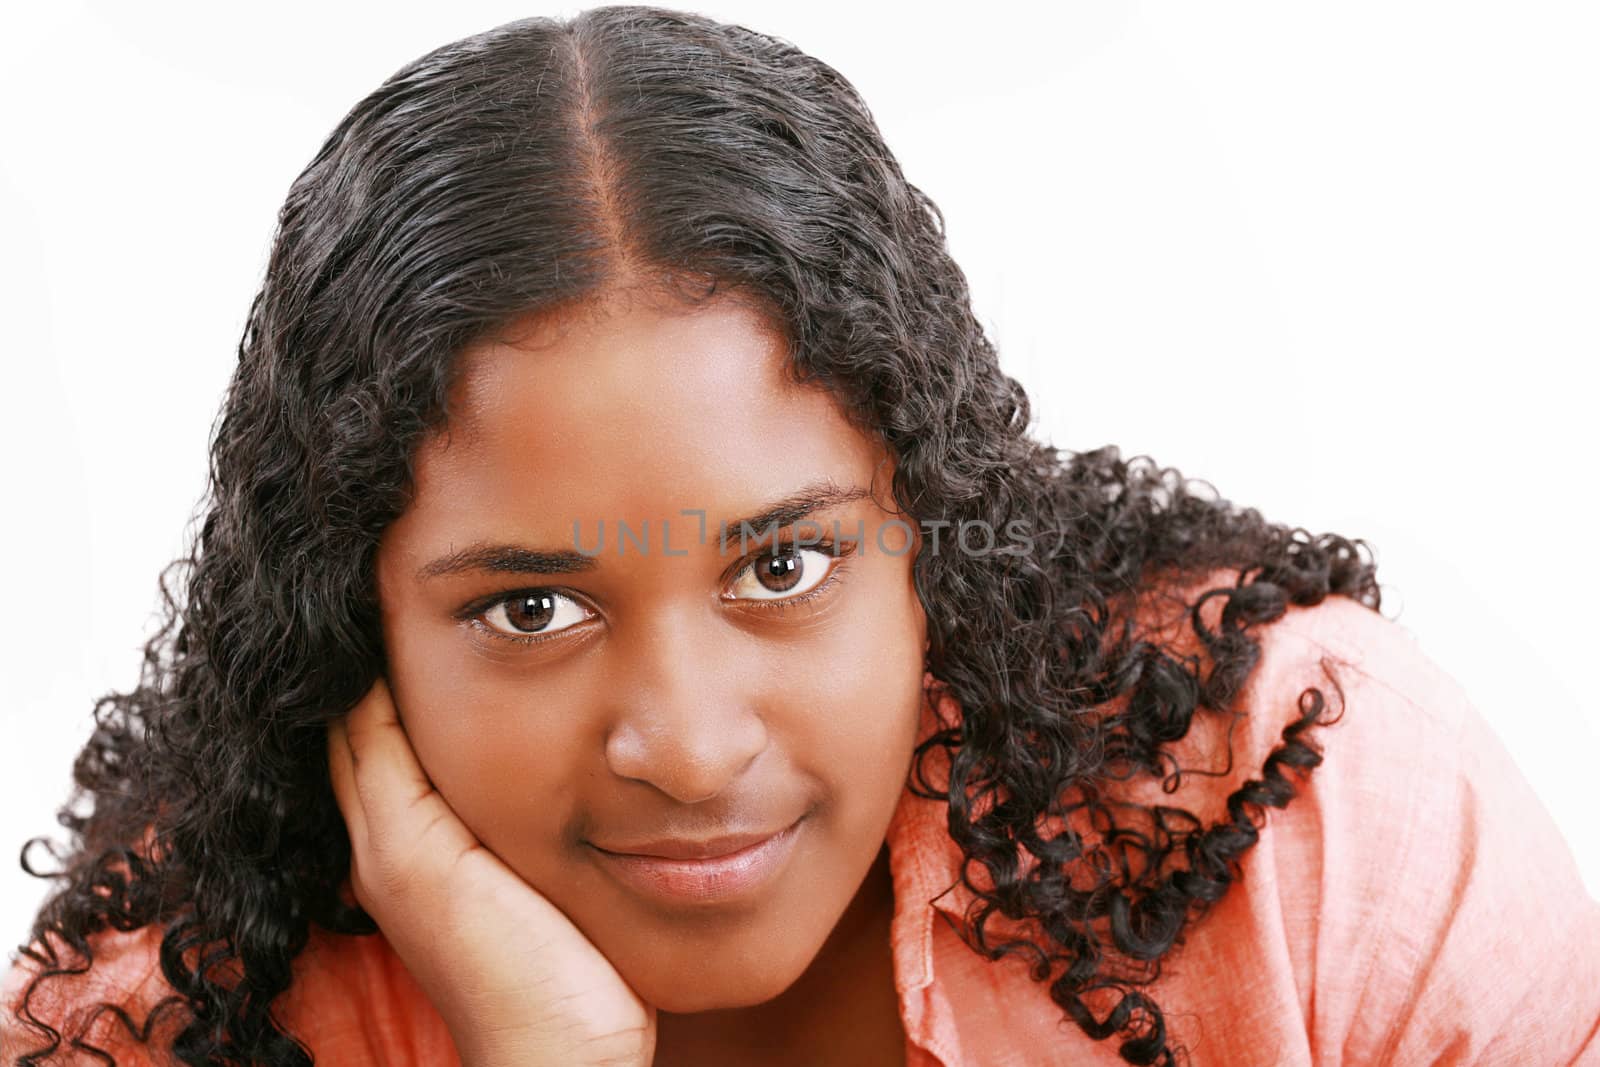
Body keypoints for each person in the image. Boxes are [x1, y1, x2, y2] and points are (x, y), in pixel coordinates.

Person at [3, 6, 1598, 1066]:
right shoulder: (185, 1004)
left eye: (783, 566)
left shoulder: (1296, 810)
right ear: (350, 628)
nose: (688, 751)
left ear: (939, 535)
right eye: (529, 611)